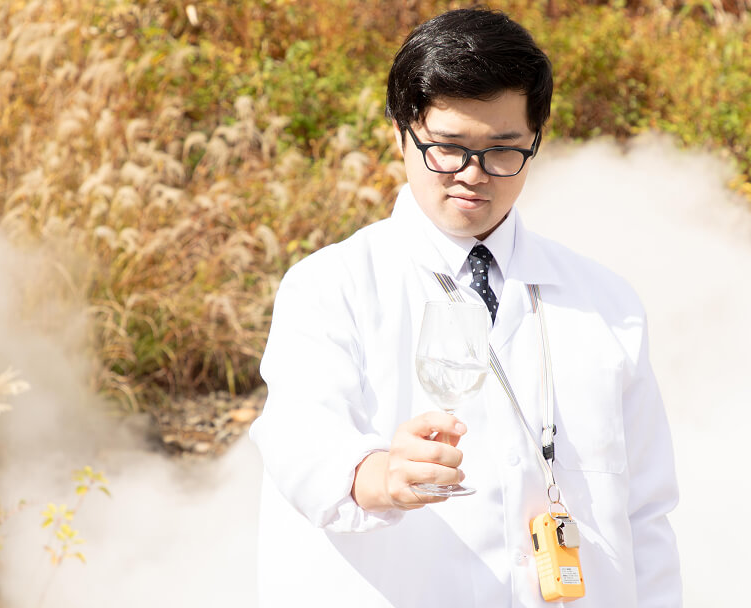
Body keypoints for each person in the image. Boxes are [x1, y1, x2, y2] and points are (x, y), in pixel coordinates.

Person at [250, 8, 681, 607]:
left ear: (535, 140)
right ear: (402, 132)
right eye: (448, 148)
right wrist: (379, 476)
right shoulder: (331, 286)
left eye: (503, 150)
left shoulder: (605, 303)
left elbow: (647, 514)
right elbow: (301, 440)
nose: (473, 176)